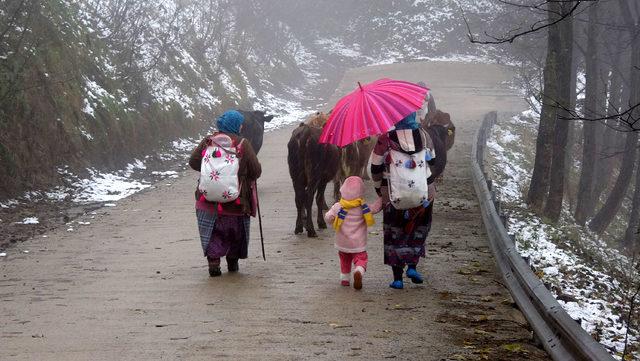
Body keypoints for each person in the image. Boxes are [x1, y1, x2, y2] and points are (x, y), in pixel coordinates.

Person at [189, 110, 262, 277]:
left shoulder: (208, 141)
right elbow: (256, 171)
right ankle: (232, 262)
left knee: (213, 233)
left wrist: (210, 171)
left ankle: (213, 263)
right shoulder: (243, 143)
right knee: (235, 234)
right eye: (241, 123)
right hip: (236, 203)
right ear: (237, 125)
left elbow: (193, 162)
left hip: (207, 202)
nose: (242, 125)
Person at [370, 112, 436, 289]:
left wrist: (379, 190)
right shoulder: (424, 135)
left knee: (395, 234)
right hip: (423, 194)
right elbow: (434, 160)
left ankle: (397, 279)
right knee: (417, 230)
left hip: (393, 196)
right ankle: (413, 267)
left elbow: (375, 167)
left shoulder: (386, 138)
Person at [324, 176, 382, 290]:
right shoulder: (363, 207)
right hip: (358, 244)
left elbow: (328, 218)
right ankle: (358, 271)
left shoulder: (338, 206)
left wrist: (331, 218)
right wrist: (382, 198)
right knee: (361, 259)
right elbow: (375, 208)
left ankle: (345, 279)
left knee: (344, 259)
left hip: (342, 242)